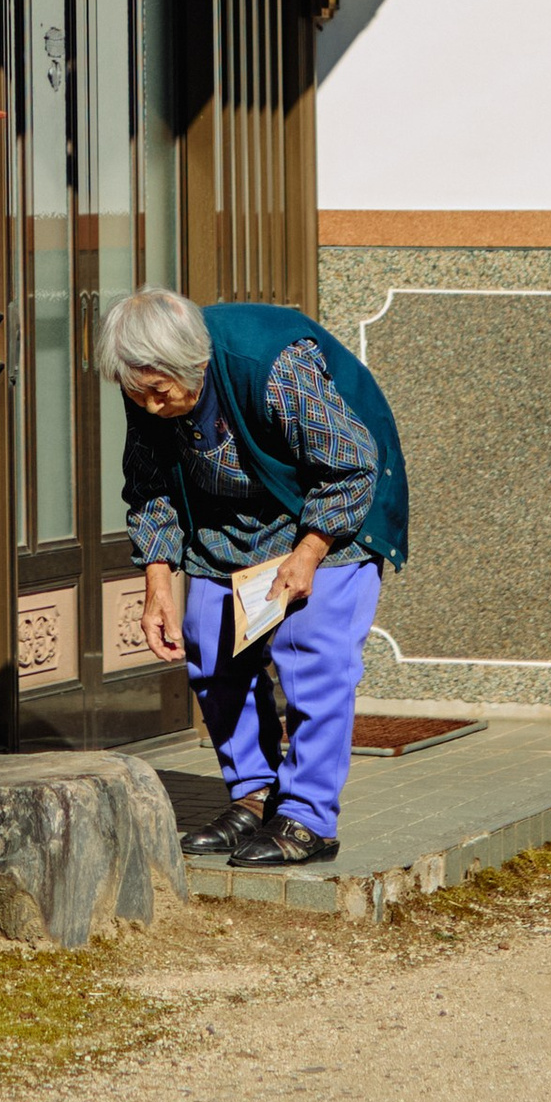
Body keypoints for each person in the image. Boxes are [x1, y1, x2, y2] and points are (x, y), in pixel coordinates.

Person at [101, 284, 409, 869]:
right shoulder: (146, 382)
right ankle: (254, 795)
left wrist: (309, 552)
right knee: (210, 645)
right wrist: (157, 585)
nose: (150, 408)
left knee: (310, 654)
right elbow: (148, 485)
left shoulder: (273, 366)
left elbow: (350, 467)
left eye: (161, 393)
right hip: (228, 521)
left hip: (329, 512)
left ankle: (309, 817)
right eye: (138, 395)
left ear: (194, 364)